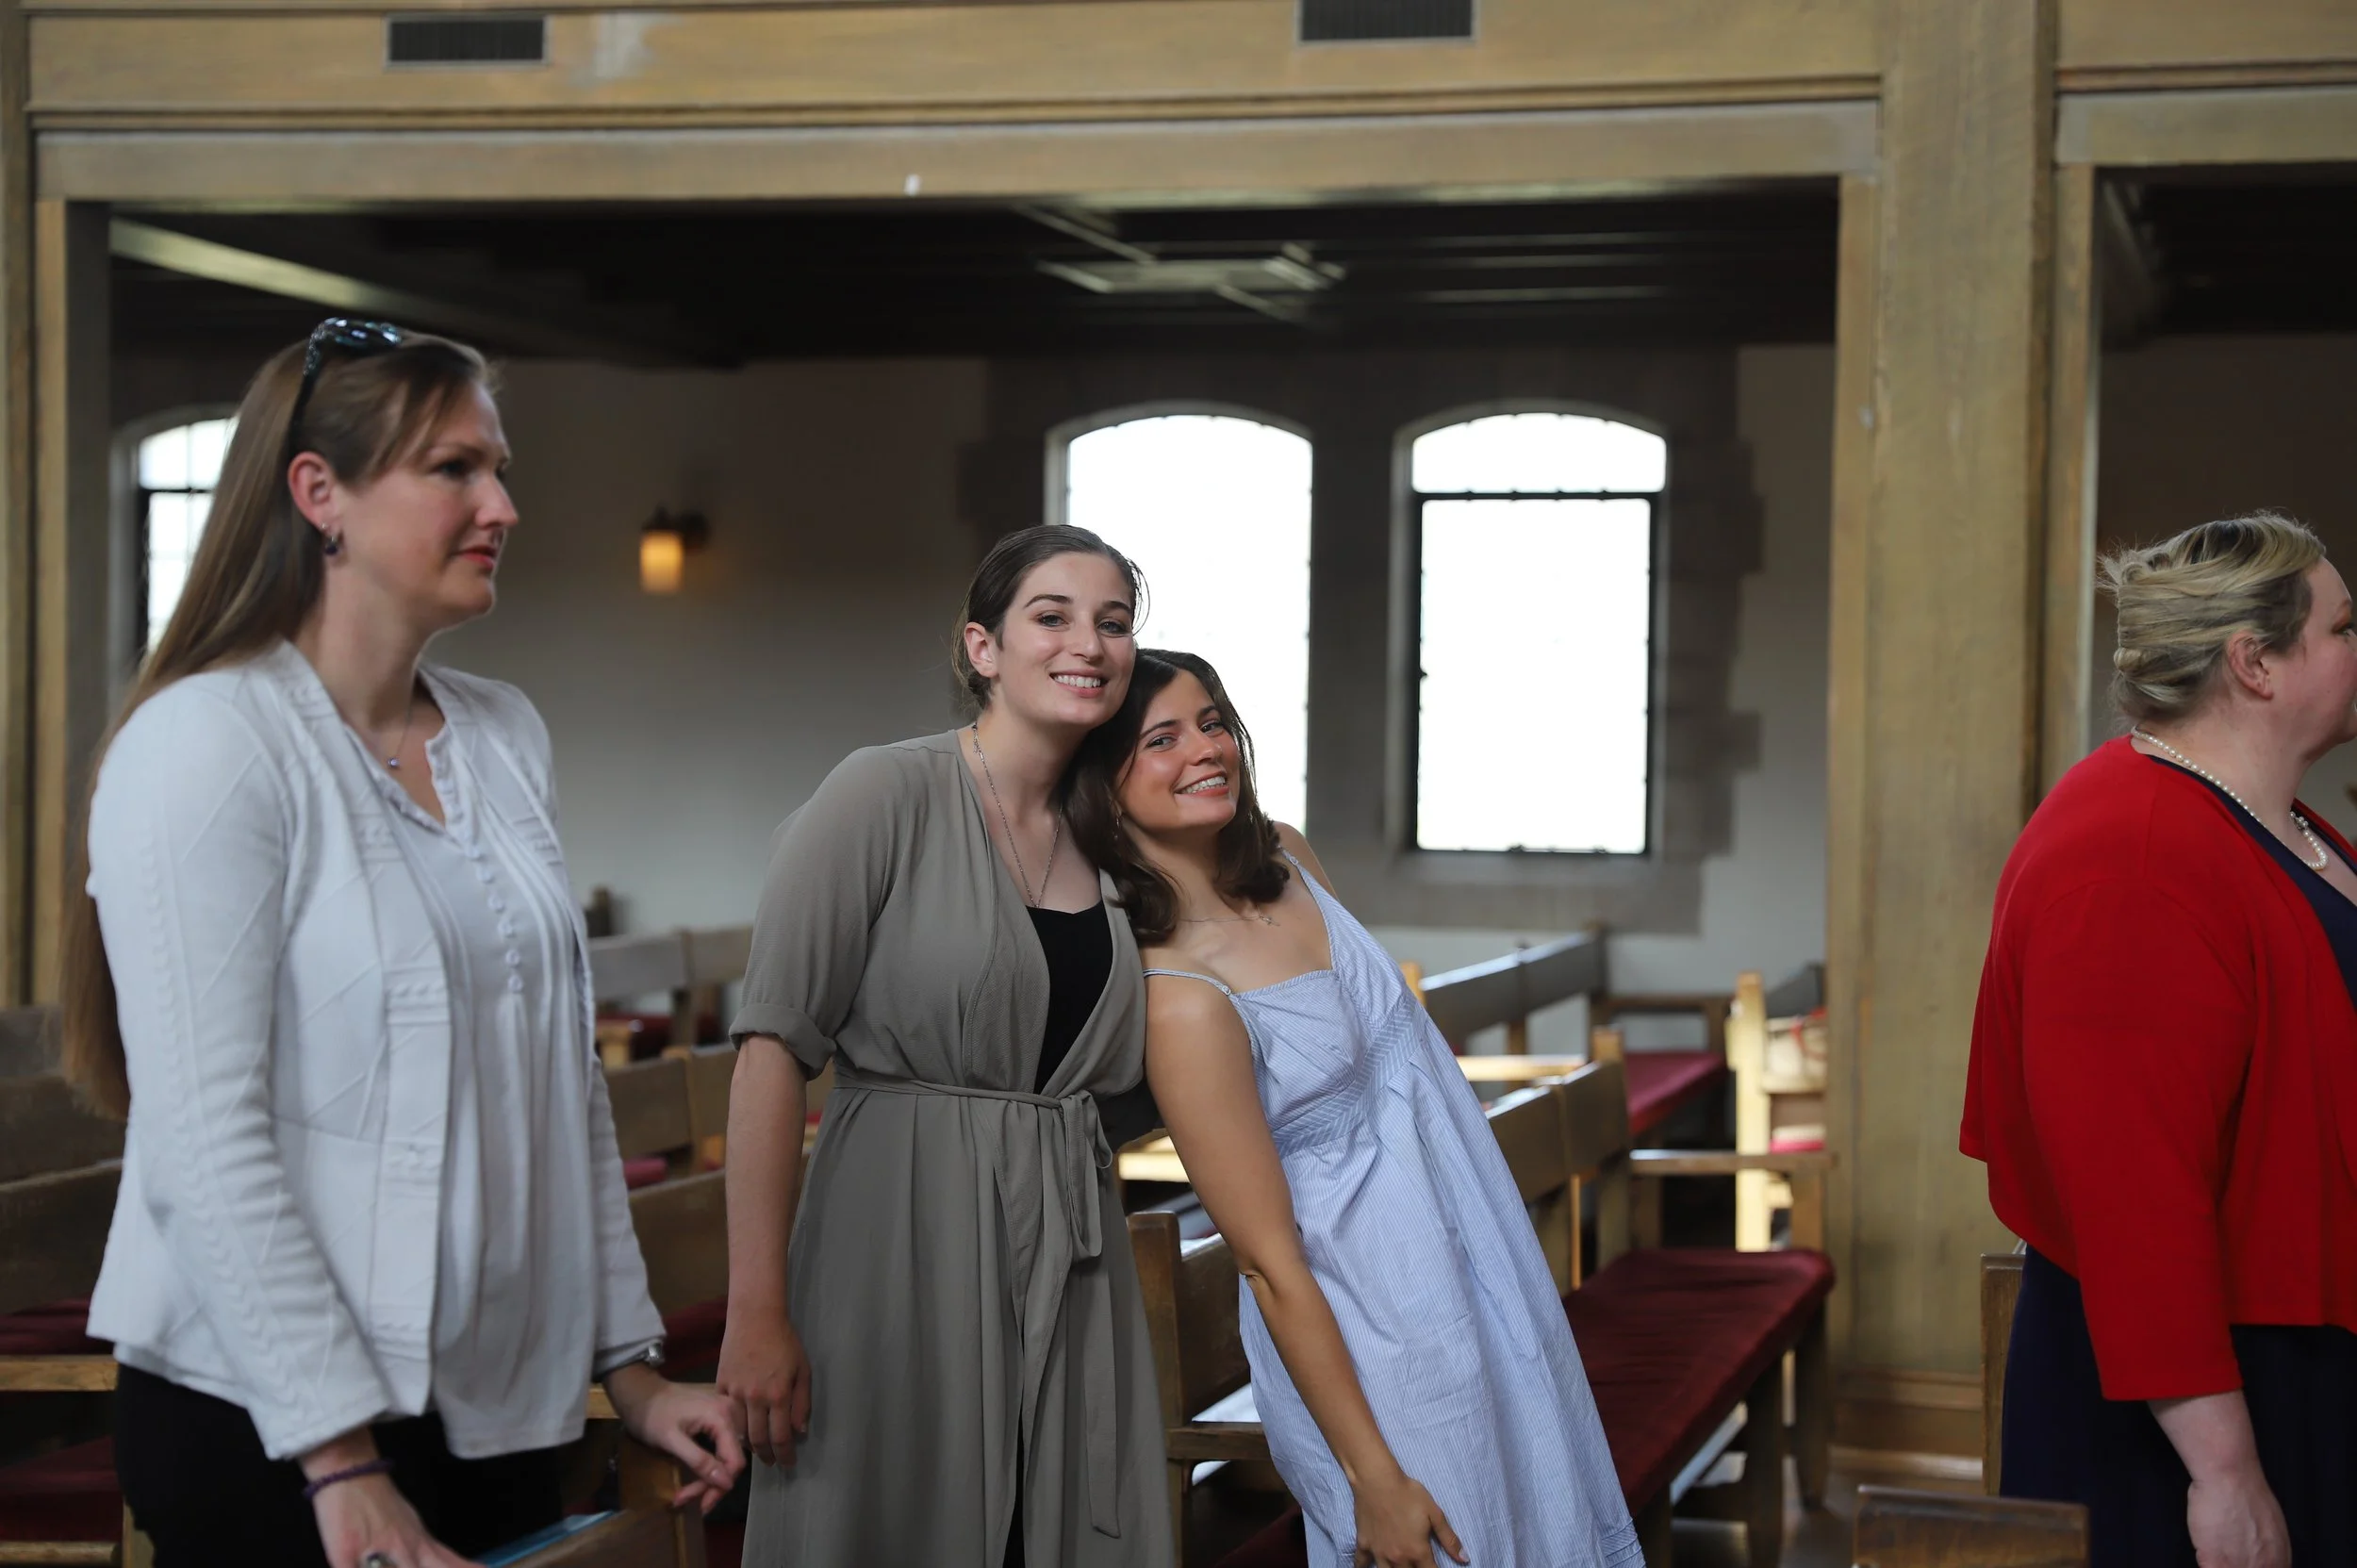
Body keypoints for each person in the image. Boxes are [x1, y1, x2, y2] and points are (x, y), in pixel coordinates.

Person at [62, 320, 744, 1568]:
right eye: (454, 468)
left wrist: (627, 1365)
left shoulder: (499, 733)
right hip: (272, 1423)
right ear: (320, 493)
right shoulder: (208, 743)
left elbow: (562, 1089)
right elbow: (206, 1141)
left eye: (498, 467)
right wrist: (341, 1458)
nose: (502, 504)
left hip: (487, 1403)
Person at [1065, 649, 1642, 1568]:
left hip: (1472, 1261)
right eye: (1160, 740)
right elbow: (1267, 1260)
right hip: (1372, 1328)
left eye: (1212, 722)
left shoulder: (1288, 855)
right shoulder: (1178, 993)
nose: (1205, 750)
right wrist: (1373, 1476)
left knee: (1543, 1524)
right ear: (1102, 781)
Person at [716, 524, 1172, 1568]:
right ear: (982, 649)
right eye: (1050, 617)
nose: (1088, 644)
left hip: (1071, 1241)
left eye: (1112, 624)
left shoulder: (1113, 837)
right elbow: (772, 1051)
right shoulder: (881, 794)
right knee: (887, 1523)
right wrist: (756, 1313)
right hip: (898, 1231)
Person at [1964, 511, 2357, 1568]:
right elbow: (2132, 1194)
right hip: (2193, 1405)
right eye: (2341, 627)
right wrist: (2225, 1474)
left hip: (2292, 1349)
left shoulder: (2275, 816)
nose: (2355, 649)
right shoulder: (2129, 857)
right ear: (2256, 662)